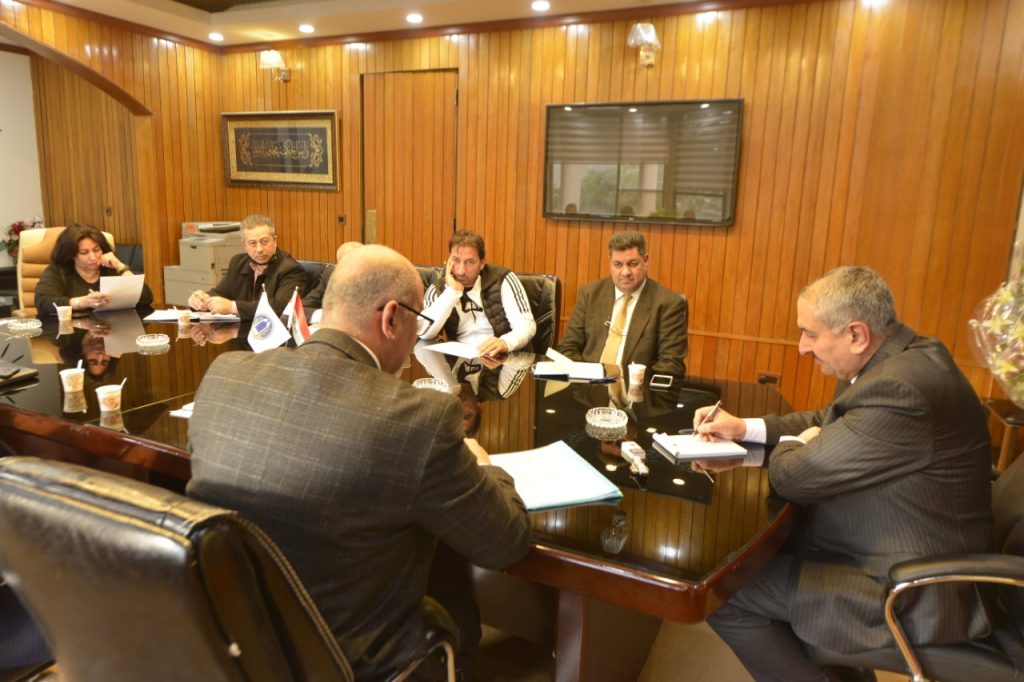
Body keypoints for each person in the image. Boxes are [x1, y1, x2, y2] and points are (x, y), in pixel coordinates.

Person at [187, 244, 531, 680]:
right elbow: (506, 542)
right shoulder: (417, 420)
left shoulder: (224, 375)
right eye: (418, 321)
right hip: (351, 662)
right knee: (455, 601)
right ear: (391, 318)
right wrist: (483, 466)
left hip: (232, 650)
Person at [694, 266, 992, 682]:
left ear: (856, 335)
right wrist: (744, 428)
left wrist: (798, 447)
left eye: (809, 334)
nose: (802, 348)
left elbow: (794, 478)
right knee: (763, 557)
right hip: (897, 542)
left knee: (724, 591)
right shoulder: (899, 358)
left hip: (908, 588)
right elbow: (827, 419)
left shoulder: (900, 390)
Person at [556, 231, 688, 378]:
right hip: (587, 384)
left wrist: (634, 385)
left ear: (646, 260)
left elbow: (670, 365)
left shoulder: (668, 304)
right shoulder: (590, 294)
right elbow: (568, 346)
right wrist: (583, 377)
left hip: (635, 387)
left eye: (633, 264)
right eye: (618, 264)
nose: (625, 272)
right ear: (610, 262)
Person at [419, 230, 536, 358]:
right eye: (456, 260)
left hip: (503, 357)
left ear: (481, 263)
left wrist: (506, 342)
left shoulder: (503, 279)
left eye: (470, 262)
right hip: (461, 360)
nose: (461, 271)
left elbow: (526, 325)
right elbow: (424, 332)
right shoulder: (438, 289)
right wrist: (451, 293)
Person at [186, 214, 305, 320]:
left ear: (275, 241)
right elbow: (221, 293)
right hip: (239, 332)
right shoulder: (238, 263)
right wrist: (202, 300)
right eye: (252, 243)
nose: (259, 249)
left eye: (264, 242)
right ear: (244, 244)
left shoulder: (291, 269)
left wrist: (232, 307)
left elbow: (280, 307)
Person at [35, 223, 154, 315]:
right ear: (70, 254)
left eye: (97, 250)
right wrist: (83, 302)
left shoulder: (110, 267)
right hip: (73, 333)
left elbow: (146, 298)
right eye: (84, 252)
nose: (93, 257)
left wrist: (121, 267)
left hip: (111, 329)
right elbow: (43, 302)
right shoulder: (57, 271)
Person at [301, 241, 363, 324]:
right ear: (338, 265)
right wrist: (327, 316)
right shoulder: (330, 275)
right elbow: (303, 308)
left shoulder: (375, 281)